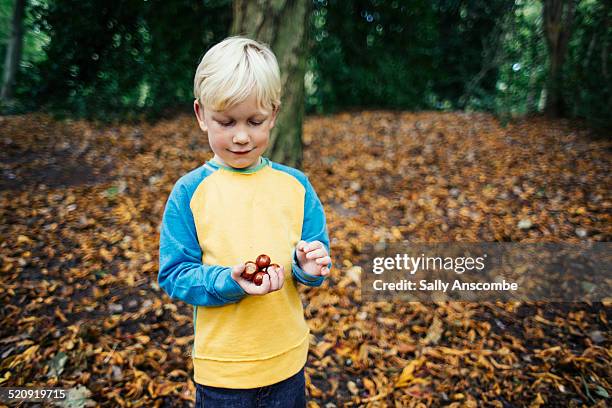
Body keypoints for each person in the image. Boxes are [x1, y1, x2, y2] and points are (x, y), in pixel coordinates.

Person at [158, 36, 333, 407]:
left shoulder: (296, 187)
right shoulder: (189, 192)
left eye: (255, 121)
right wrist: (228, 281)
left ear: (273, 114)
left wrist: (307, 267)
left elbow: (313, 262)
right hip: (223, 371)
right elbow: (174, 274)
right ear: (201, 115)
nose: (241, 136)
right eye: (226, 121)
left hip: (287, 362)